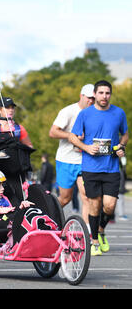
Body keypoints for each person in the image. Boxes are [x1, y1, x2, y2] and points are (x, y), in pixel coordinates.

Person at [69, 80, 128, 256]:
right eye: (101, 93)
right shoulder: (85, 114)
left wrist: (121, 147)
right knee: (94, 205)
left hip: (111, 167)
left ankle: (101, 230)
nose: (104, 96)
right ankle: (94, 241)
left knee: (109, 206)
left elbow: (124, 134)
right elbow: (72, 136)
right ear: (95, 94)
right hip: (91, 167)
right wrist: (86, 148)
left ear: (111, 94)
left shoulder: (118, 113)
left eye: (107, 93)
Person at [49, 84, 95, 229]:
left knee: (87, 196)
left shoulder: (96, 113)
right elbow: (53, 132)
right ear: (81, 96)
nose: (91, 101)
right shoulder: (68, 111)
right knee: (65, 198)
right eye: (89, 98)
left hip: (86, 160)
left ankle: (87, 233)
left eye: (94, 98)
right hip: (66, 160)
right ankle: (47, 217)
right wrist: (71, 136)